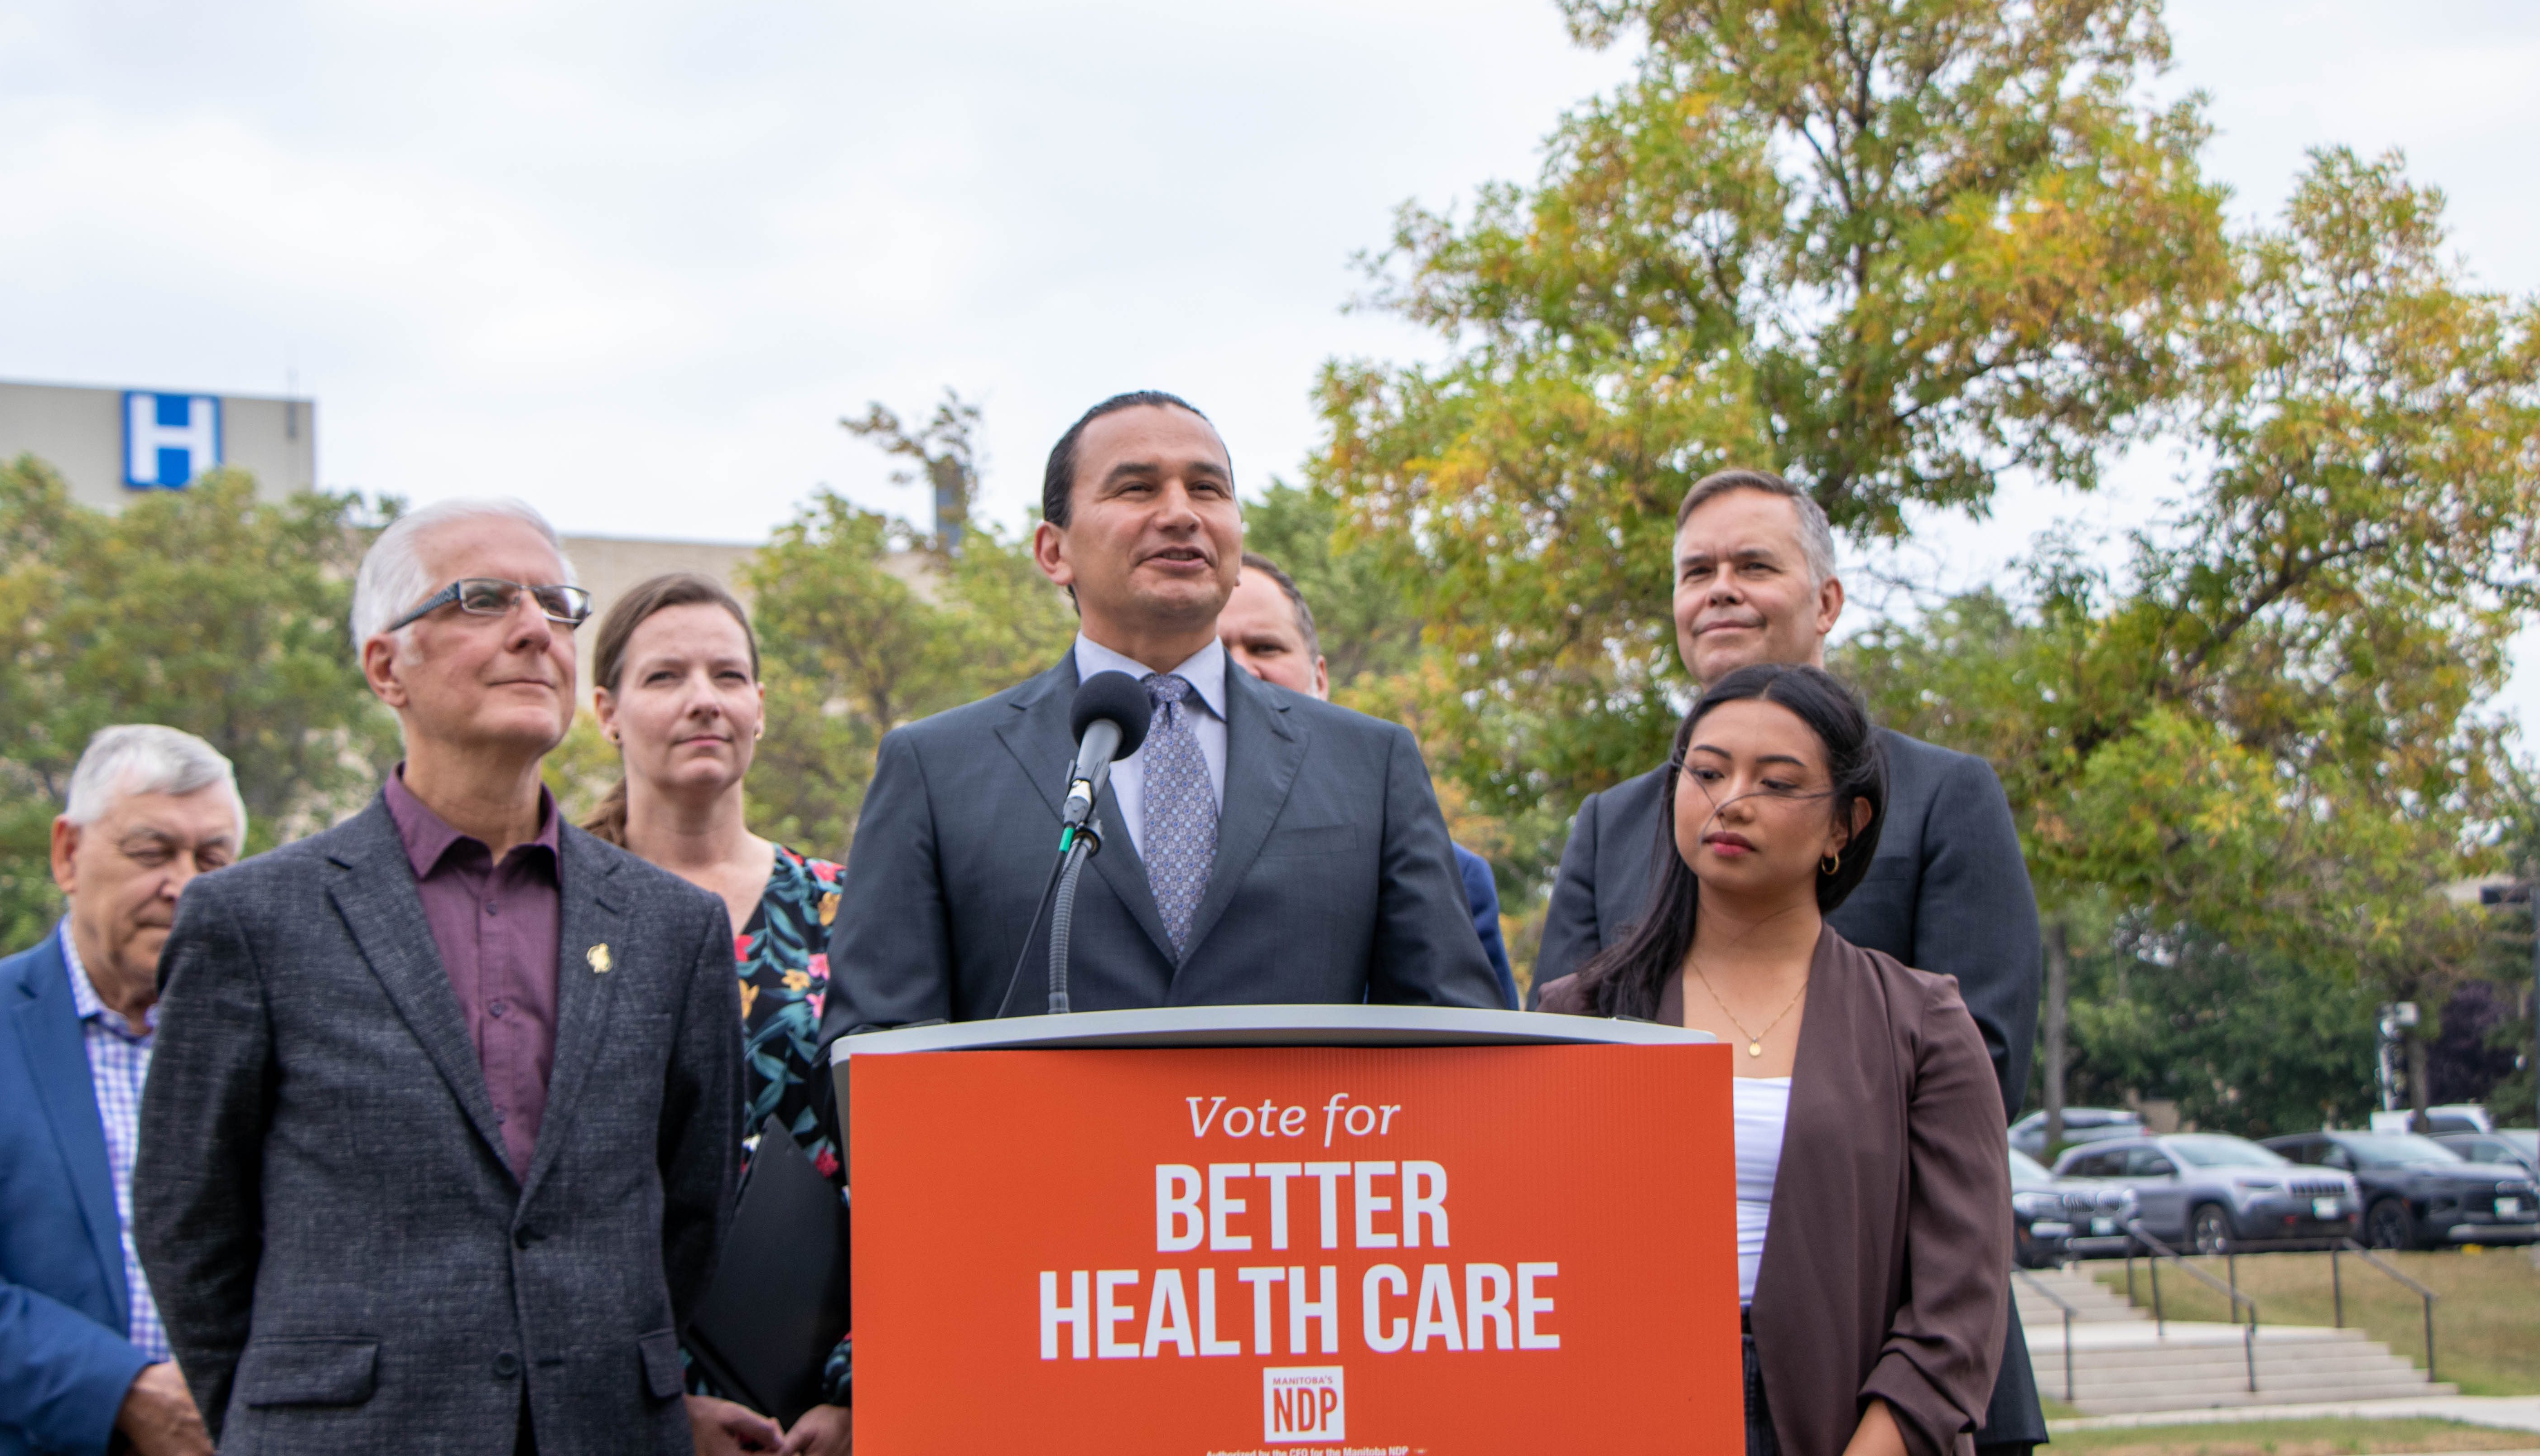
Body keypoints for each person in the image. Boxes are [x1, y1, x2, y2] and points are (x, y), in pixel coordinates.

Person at [134, 498, 746, 1456]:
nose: (533, 628)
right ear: (388, 667)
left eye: (556, 603)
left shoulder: (674, 928)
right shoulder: (253, 920)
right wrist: (277, 1415)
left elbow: (693, 1206)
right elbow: (188, 1219)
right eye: (482, 598)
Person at [1532, 468, 2045, 1456]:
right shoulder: (1612, 823)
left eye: (1752, 564)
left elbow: (1985, 1065)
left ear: (1827, 602)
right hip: (1652, 1383)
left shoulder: (1944, 795)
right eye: (1696, 571)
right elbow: (1559, 1078)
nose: (1718, 588)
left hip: (1898, 1366)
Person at [824, 390, 1501, 1042]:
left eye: (1208, 489)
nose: (1182, 514)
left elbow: (1456, 1034)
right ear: (1053, 551)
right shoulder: (936, 769)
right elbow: (872, 1053)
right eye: (1137, 489)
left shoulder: (1369, 764)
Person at [0, 726, 243, 1456]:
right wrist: (128, 1393)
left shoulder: (266, 1032)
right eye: (151, 852)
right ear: (68, 853)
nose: (184, 885)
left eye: (213, 858)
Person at [578, 572, 850, 1456]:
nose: (704, 701)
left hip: (823, 1392)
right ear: (605, 709)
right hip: (612, 1395)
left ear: (761, 706)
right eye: (665, 677)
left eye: (728, 676)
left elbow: (918, 1159)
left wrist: (862, 1388)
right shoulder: (554, 915)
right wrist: (650, 1402)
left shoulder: (851, 907)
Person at [1215, 551, 1519, 1007]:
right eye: (1217, 655)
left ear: (1321, 679)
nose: (1242, 670)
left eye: (1265, 648)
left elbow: (1480, 1061)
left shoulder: (1458, 876)